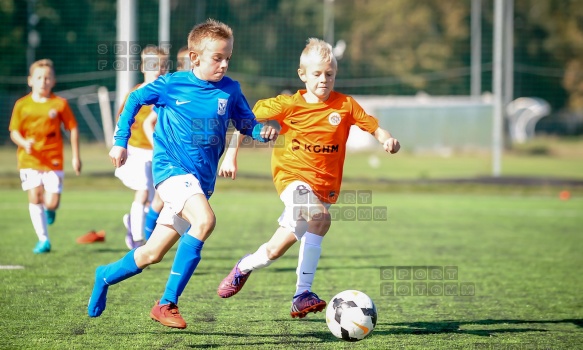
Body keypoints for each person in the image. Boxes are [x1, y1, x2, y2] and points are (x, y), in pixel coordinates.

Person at [87, 19, 278, 329]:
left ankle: (104, 276)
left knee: (151, 254)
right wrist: (120, 142)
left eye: (228, 57)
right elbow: (135, 99)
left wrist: (261, 131)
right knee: (205, 221)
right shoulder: (172, 84)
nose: (224, 63)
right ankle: (167, 303)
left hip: (201, 182)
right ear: (195, 57)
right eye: (218, 57)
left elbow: (246, 123)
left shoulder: (230, 89)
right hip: (171, 172)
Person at [216, 38, 400, 319]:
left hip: (323, 188)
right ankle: (301, 294)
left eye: (329, 74)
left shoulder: (346, 106)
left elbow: (375, 128)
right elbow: (244, 120)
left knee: (274, 251)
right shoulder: (288, 105)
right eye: (317, 74)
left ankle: (245, 266)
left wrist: (387, 140)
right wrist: (230, 155)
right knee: (321, 218)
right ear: (302, 75)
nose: (324, 79)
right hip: (291, 178)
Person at [9, 58, 82, 254]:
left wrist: (76, 156)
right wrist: (24, 143)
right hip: (29, 160)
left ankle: (49, 210)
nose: (44, 81)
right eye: (39, 77)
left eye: (48, 77)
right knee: (34, 196)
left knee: (51, 202)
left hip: (53, 160)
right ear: (30, 80)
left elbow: (72, 128)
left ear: (54, 81)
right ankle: (43, 240)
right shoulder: (22, 105)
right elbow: (14, 131)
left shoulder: (59, 104)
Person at [138, 44, 193, 242]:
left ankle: (153, 240)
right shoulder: (174, 89)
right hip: (171, 157)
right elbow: (147, 123)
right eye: (186, 63)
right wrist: (159, 147)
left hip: (192, 157)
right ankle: (145, 237)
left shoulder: (203, 89)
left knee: (172, 200)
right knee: (159, 199)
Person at [114, 45, 168, 248]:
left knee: (157, 200)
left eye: (163, 65)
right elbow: (122, 120)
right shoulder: (135, 94)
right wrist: (119, 145)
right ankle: (137, 239)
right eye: (154, 64)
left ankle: (133, 222)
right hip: (137, 151)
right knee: (144, 192)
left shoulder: (167, 92)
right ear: (143, 67)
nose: (159, 69)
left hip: (158, 153)